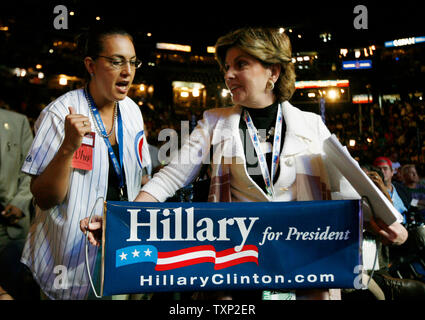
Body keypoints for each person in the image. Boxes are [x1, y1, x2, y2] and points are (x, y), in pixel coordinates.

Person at [82, 27, 407, 300]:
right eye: (226, 66)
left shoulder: (312, 125)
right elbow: (169, 178)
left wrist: (385, 222)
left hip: (306, 271)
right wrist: (121, 221)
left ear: (273, 71)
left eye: (241, 64)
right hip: (236, 272)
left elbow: (347, 193)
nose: (228, 74)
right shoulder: (213, 121)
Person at [21, 24, 150, 300]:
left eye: (132, 62)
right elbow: (44, 198)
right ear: (91, 65)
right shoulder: (59, 114)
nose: (127, 71)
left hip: (119, 251)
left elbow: (141, 178)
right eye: (116, 62)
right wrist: (69, 146)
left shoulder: (133, 112)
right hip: (67, 260)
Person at [0, 108, 34, 300]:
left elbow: (31, 169)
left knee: (13, 288)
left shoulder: (17, 121)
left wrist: (20, 203)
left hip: (12, 226)